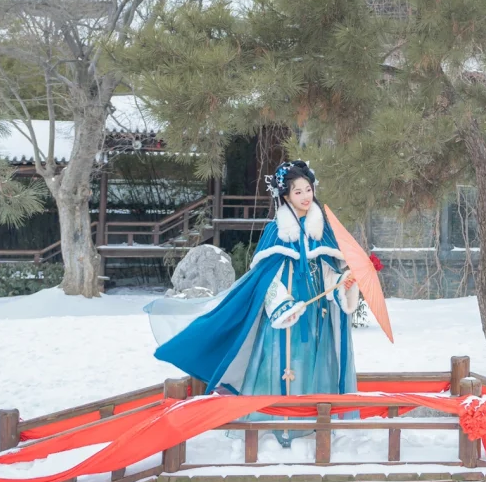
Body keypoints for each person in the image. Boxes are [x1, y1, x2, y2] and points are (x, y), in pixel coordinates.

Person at [148, 161, 359, 419]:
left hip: (316, 312)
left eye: (308, 189)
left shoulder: (322, 230)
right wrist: (283, 305)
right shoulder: (275, 230)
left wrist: (342, 283)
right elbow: (265, 278)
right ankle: (278, 423)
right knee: (282, 364)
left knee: (312, 362)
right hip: (285, 313)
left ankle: (312, 421)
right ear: (285, 196)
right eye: (298, 192)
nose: (306, 196)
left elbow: (327, 272)